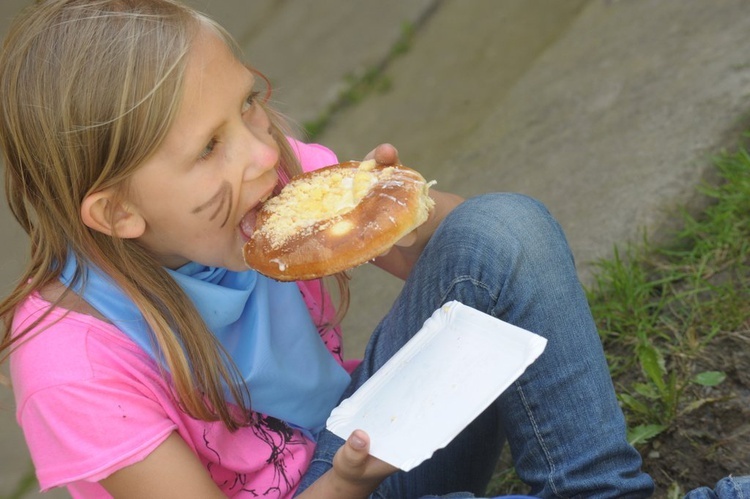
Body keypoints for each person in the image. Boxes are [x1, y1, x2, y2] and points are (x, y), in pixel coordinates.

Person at [0, 1, 655, 497]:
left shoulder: (273, 182)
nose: (262, 152)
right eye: (207, 147)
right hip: (341, 480)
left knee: (506, 227)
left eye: (248, 105)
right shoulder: (73, 364)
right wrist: (343, 482)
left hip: (365, 438)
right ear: (118, 210)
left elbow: (497, 266)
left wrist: (404, 223)